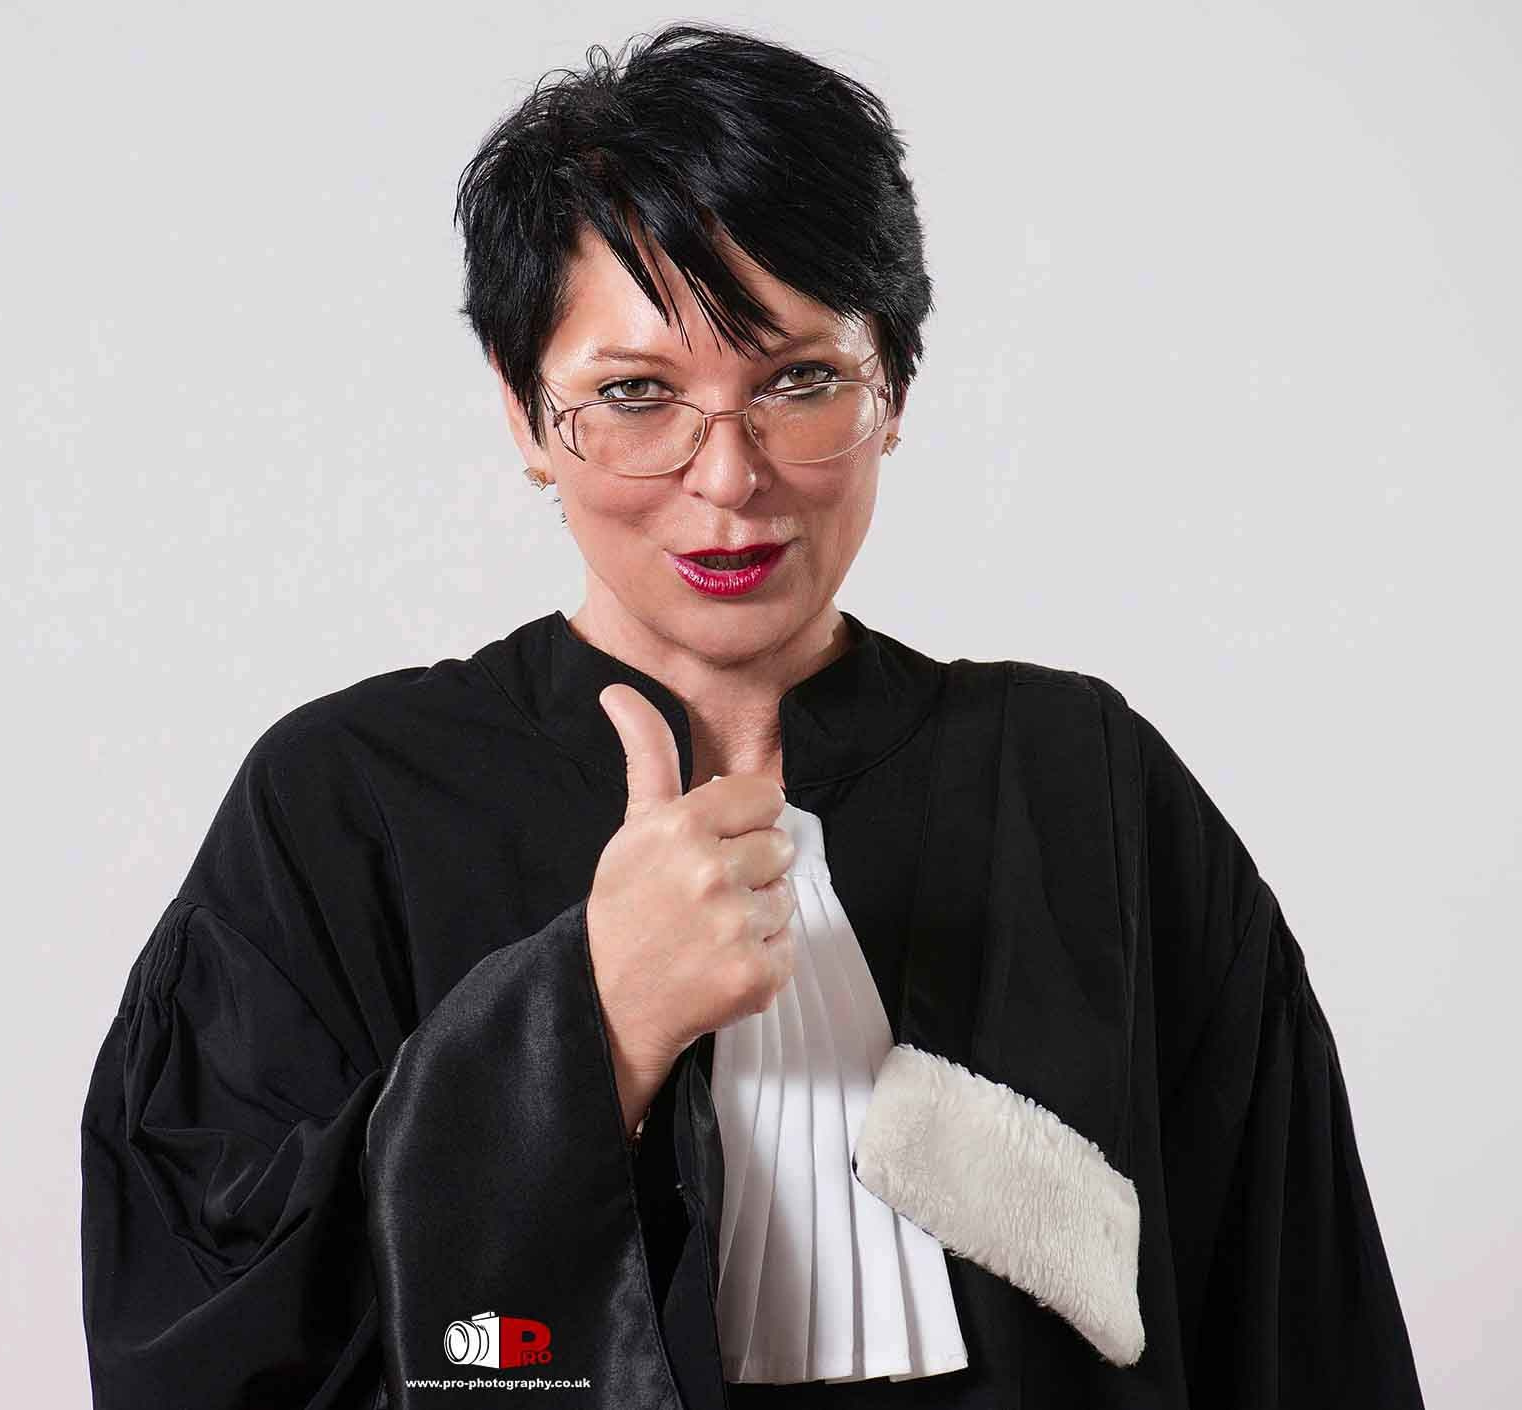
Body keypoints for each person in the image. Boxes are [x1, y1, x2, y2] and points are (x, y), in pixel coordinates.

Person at [79, 24, 1424, 1409]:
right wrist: (581, 1026)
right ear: (527, 415)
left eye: (797, 380)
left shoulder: (1091, 791)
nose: (727, 479)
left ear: (892, 384)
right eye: (635, 395)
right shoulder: (343, 808)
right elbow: (197, 1341)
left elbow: (1301, 1321)